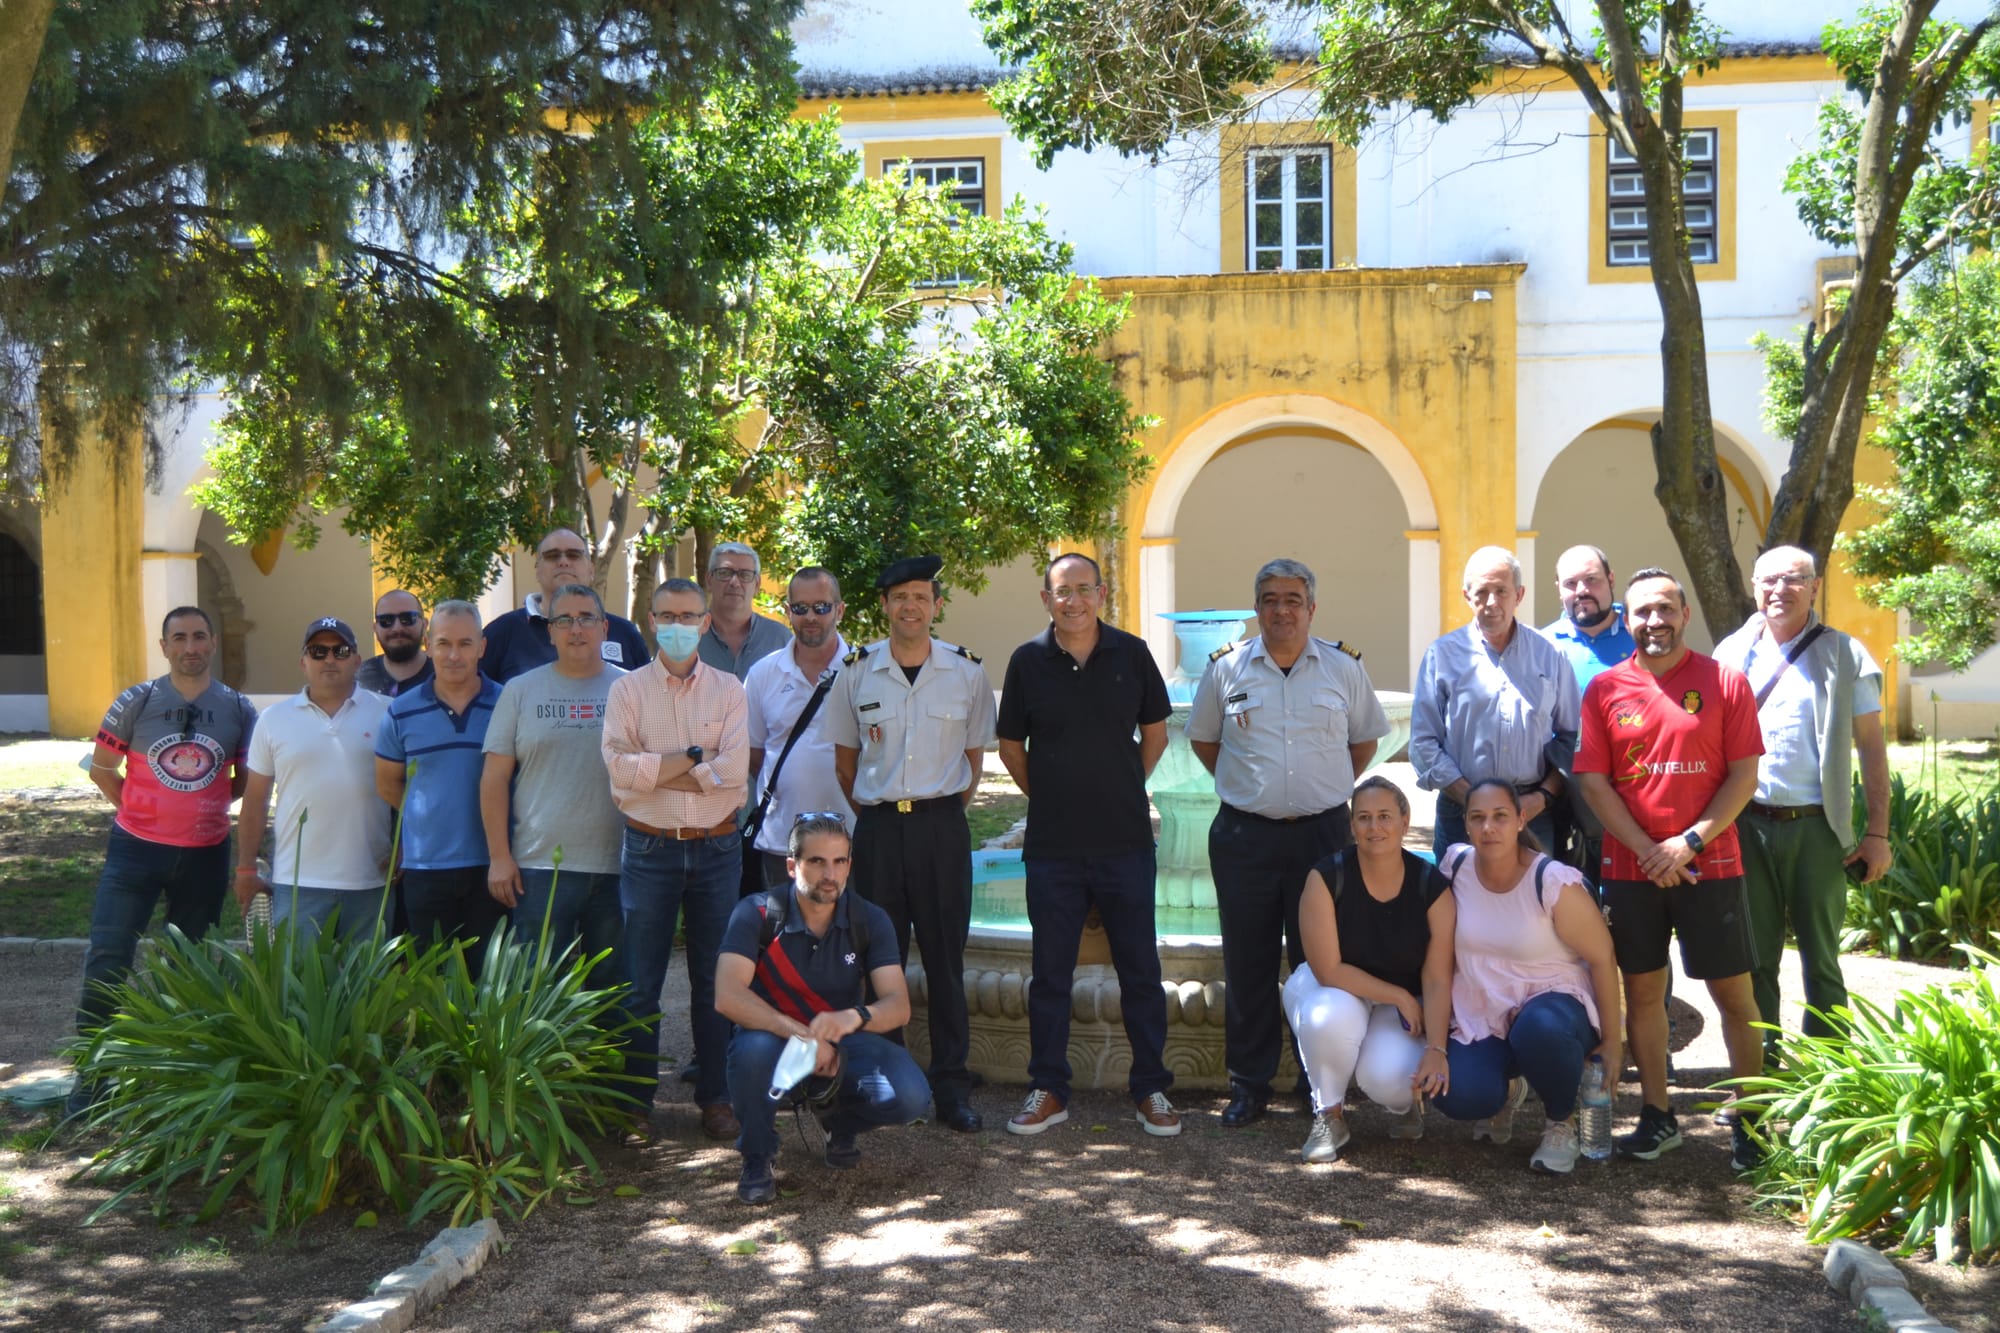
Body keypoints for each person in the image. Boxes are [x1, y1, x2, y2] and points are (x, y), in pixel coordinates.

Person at [1575, 567, 1768, 1170]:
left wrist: (1685, 843)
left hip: (1711, 863)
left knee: (1735, 995)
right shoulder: (1605, 690)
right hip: (1631, 871)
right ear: (1625, 620)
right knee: (1644, 992)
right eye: (1641, 613)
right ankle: (1658, 1118)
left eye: (1664, 609)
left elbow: (1743, 777)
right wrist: (1646, 851)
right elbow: (1594, 783)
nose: (1653, 622)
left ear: (1684, 614)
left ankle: (1753, 1120)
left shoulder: (1725, 682)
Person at [1188, 557, 1389, 1127]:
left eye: (1293, 600)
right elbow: (1206, 741)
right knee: (1247, 962)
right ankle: (1248, 1086)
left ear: (1311, 608)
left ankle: (1316, 1082)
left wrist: (1318, 791)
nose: (1282, 610)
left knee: (1321, 961)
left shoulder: (1342, 668)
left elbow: (1363, 743)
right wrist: (1252, 789)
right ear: (1257, 609)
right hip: (1244, 836)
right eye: (1271, 599)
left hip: (1322, 837)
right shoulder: (1227, 669)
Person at [996, 553, 1181, 1138]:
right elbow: (1010, 749)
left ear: (1101, 594)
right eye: (1060, 591)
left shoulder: (1132, 653)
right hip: (1053, 846)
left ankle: (1151, 1087)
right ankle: (1049, 1087)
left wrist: (1123, 788)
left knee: (1140, 970)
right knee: (1050, 973)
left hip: (1124, 841)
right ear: (1045, 598)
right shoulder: (1027, 662)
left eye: (1083, 589)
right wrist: (1052, 797)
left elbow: (1154, 734)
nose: (1072, 600)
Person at [825, 554, 996, 1134]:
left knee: (946, 960)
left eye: (921, 596)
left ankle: (952, 1087)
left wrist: (938, 811)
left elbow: (973, 761)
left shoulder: (967, 672)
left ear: (937, 605)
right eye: (900, 597)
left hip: (942, 828)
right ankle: (891, 1082)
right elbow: (846, 766)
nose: (911, 607)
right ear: (884, 606)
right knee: (881, 961)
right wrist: (880, 815)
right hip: (879, 832)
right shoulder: (856, 670)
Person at [69, 607, 257, 1112]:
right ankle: (91, 1078)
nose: (190, 646)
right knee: (108, 959)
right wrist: (141, 809)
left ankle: (171, 1080)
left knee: (187, 967)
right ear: (164, 646)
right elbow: (102, 768)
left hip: (205, 856)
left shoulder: (239, 708)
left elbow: (245, 781)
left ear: (213, 643)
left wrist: (207, 806)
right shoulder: (137, 700)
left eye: (199, 636)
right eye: (180, 638)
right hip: (134, 853)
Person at [1715, 546, 1893, 1049]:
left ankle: (1830, 1076)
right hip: (1745, 826)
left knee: (1823, 959)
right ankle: (1762, 1076)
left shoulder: (1844, 654)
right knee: (1755, 958)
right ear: (1754, 585)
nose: (1779, 590)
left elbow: (1874, 753)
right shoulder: (1730, 654)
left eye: (1793, 579)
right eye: (1769, 580)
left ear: (1815, 586)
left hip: (1818, 829)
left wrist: (1877, 832)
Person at [714, 813, 930, 1204]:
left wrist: (854, 1017)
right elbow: (728, 996)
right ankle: (757, 1156)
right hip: (774, 1039)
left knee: (912, 1096)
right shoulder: (758, 913)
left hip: (843, 1041)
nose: (830, 874)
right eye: (817, 861)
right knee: (752, 1052)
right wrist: (802, 1035)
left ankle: (837, 1119)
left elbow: (898, 1006)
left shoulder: (868, 918)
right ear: (792, 865)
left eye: (840, 861)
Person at [602, 577, 750, 1142]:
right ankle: (637, 1103)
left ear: (706, 623)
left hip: (717, 848)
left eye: (690, 616)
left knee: (717, 979)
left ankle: (716, 1098)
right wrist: (697, 760)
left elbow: (734, 774)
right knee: (640, 982)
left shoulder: (730, 691)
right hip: (649, 848)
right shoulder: (628, 692)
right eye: (668, 615)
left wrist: (660, 769)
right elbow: (620, 772)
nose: (679, 626)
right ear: (650, 620)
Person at [1429, 780, 1623, 1175]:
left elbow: (1603, 958)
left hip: (1556, 1006)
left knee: (1539, 1029)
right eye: (1478, 818)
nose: (1488, 828)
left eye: (1500, 816)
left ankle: (1559, 1122)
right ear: (1465, 824)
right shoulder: (1455, 866)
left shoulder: (1551, 881)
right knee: (1459, 1096)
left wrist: (1613, 1042)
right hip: (1485, 1010)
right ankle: (1511, 1090)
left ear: (1520, 820)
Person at [1281, 776, 1453, 1163]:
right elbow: (1329, 970)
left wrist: (1436, 1048)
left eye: (1384, 816)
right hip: (1333, 989)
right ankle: (1329, 1113)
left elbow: (1439, 976)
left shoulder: (1431, 886)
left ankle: (1404, 1105)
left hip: (1395, 999)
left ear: (1405, 822)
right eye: (1363, 818)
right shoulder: (1326, 877)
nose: (1374, 828)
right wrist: (1400, 996)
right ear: (1352, 825)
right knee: (1329, 1019)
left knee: (1391, 1080)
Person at [481, 583, 628, 995]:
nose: (575, 628)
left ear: (604, 628)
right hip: (540, 868)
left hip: (621, 866)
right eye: (564, 619)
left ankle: (610, 1065)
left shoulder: (634, 689)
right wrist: (499, 858)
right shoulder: (520, 691)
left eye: (586, 618)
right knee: (539, 992)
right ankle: (551, 1066)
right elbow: (493, 778)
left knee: (613, 990)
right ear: (549, 630)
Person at [1412, 546, 1581, 855]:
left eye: (1501, 591)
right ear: (1466, 596)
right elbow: (1423, 742)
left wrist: (1543, 797)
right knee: (1458, 901)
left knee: (1535, 901)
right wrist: (1472, 799)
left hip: (1531, 811)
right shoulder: (1442, 656)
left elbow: (1573, 738)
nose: (1491, 603)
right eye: (1481, 592)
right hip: (1462, 809)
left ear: (1519, 594)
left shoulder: (1551, 655)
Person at [234, 617, 393, 942]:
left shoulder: (389, 714)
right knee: (300, 987)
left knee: (369, 987)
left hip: (372, 882)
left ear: (357, 661)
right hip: (298, 884)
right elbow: (254, 801)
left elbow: (411, 789)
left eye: (340, 650)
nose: (330, 659)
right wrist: (246, 868)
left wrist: (405, 845)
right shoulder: (273, 720)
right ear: (303, 662)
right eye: (318, 651)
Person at [374, 601, 504, 973]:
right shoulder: (402, 711)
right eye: (444, 643)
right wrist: (428, 816)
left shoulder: (508, 704)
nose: (453, 654)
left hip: (492, 866)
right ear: (428, 645)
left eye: (465, 644)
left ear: (482, 647)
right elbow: (387, 783)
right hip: (425, 867)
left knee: (489, 981)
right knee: (430, 981)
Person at [742, 567, 852, 891]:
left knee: (849, 939)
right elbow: (753, 752)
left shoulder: (863, 672)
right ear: (788, 612)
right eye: (801, 608)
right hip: (782, 842)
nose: (811, 617)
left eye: (821, 607)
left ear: (840, 610)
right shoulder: (763, 674)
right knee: (784, 937)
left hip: (851, 841)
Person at [1541, 544, 1637, 876]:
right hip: (1567, 787)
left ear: (1611, 580)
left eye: (1592, 580)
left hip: (1635, 783)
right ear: (1558, 590)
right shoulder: (1543, 646)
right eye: (1571, 584)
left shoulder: (1642, 631)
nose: (1582, 591)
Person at [480, 528, 650, 682]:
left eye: (573, 555)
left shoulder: (625, 633)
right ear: (537, 570)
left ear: (591, 570)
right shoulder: (501, 633)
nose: (563, 562)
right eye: (552, 556)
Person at [699, 541, 792, 680]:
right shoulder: (687, 638)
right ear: (709, 581)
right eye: (724, 573)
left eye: (745, 575)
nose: (734, 582)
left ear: (757, 585)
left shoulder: (780, 639)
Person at [355, 589, 434, 698]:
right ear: (375, 628)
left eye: (408, 618)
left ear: (424, 624)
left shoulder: (444, 676)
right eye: (386, 620)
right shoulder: (357, 681)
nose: (397, 628)